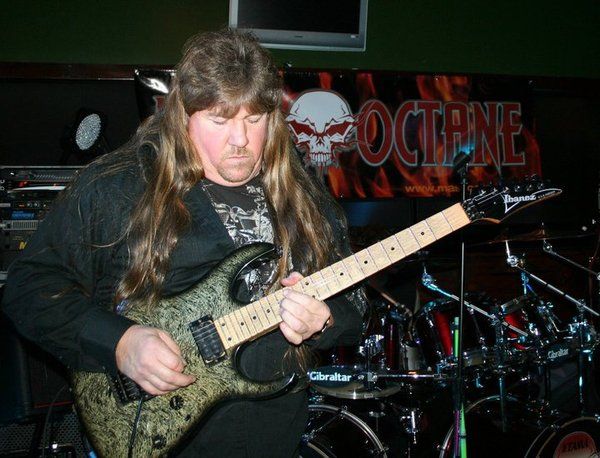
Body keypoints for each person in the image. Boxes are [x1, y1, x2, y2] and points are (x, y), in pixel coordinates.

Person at [1, 29, 365, 457]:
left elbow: (356, 305)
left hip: (276, 435)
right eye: (219, 120)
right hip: (153, 433)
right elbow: (28, 288)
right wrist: (119, 342)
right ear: (183, 115)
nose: (240, 140)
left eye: (254, 119)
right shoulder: (119, 185)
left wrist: (324, 320)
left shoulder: (301, 193)